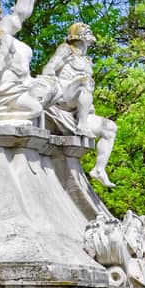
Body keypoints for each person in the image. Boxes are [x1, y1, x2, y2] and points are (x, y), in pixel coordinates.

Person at [41, 23, 118, 186]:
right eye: (85, 30)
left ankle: (99, 169)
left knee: (110, 128)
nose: (89, 32)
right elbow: (49, 68)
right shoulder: (66, 49)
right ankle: (82, 126)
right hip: (64, 98)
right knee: (84, 82)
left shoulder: (87, 59)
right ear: (77, 35)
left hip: (81, 110)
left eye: (89, 30)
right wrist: (50, 87)